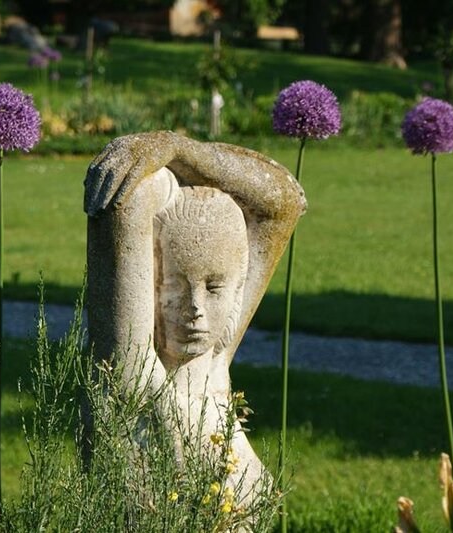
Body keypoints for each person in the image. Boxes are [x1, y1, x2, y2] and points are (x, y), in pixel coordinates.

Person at [84, 131, 305, 504]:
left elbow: (284, 202)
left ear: (235, 290)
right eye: (173, 286)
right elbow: (131, 193)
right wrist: (158, 176)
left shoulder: (214, 362)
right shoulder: (127, 377)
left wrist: (179, 149)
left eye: (215, 287)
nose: (195, 308)